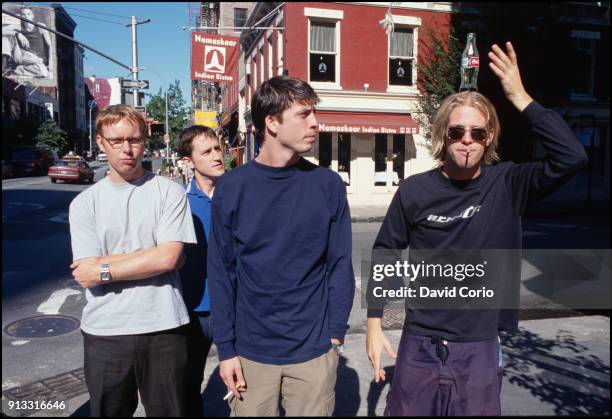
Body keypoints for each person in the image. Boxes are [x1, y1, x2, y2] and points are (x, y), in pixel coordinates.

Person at [366, 42, 588, 416]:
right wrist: (374, 325)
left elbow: (572, 156)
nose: (467, 141)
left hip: (479, 345)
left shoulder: (508, 185)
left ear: (489, 138)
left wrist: (520, 97)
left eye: (477, 133)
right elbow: (385, 252)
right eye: (457, 132)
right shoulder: (415, 190)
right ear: (442, 135)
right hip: (420, 340)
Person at [208, 75, 355, 416]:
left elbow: (339, 265)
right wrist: (226, 349)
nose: (315, 123)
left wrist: (335, 335)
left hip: (314, 351)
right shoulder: (232, 188)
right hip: (250, 352)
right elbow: (221, 273)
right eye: (304, 115)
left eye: (314, 113)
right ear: (271, 123)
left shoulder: (328, 185)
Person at [69, 104, 197, 417]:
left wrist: (104, 267)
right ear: (100, 142)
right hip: (105, 332)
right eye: (116, 140)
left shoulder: (169, 191)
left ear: (145, 140)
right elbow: (84, 274)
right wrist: (151, 256)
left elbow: (168, 257)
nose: (127, 149)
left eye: (135, 139)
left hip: (164, 327)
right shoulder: (84, 203)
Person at [177, 125, 225, 416]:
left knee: (246, 380)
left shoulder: (238, 193)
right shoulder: (178, 202)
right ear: (188, 161)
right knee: (187, 384)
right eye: (206, 151)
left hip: (232, 307)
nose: (217, 156)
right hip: (191, 311)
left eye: (218, 148)